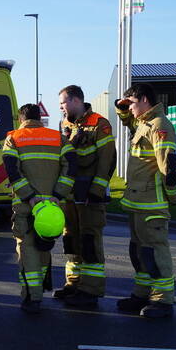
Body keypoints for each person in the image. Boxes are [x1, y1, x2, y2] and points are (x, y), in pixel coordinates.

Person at [2, 103, 77, 314]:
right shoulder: (57, 138)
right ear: (39, 118)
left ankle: (32, 297)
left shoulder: (14, 138)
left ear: (21, 119)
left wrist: (30, 196)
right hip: (53, 206)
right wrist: (58, 194)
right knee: (44, 247)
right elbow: (71, 165)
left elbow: (12, 171)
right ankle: (41, 288)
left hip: (27, 205)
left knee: (27, 251)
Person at [114, 83, 176, 319]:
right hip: (137, 202)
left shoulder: (159, 126)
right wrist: (122, 105)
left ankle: (163, 301)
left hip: (152, 204)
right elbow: (125, 119)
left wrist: (173, 196)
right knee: (138, 252)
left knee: (155, 252)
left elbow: (168, 166)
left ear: (142, 99)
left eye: (130, 103)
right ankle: (141, 294)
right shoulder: (143, 123)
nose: (128, 109)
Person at [55, 85, 117, 308]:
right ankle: (74, 283)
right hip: (70, 195)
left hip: (90, 195)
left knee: (90, 240)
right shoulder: (65, 124)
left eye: (63, 103)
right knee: (71, 239)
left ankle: (90, 290)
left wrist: (97, 190)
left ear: (75, 101)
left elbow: (107, 159)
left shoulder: (100, 124)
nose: (61, 108)